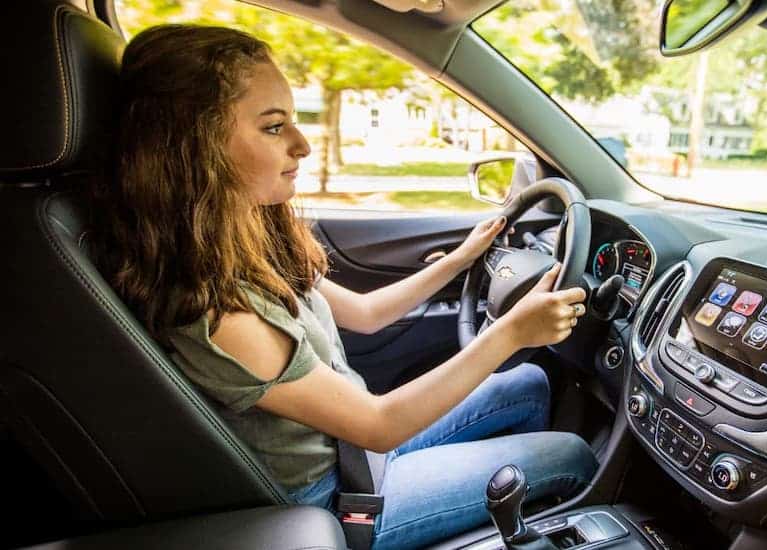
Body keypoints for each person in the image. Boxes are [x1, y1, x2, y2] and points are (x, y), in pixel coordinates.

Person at [91, 24, 597, 549]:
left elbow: (367, 313)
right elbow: (378, 425)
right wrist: (512, 331)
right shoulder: (219, 313)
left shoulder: (250, 246)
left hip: (355, 446)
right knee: (573, 456)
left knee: (530, 385)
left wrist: (462, 259)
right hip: (340, 496)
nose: (303, 144)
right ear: (197, 151)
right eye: (272, 128)